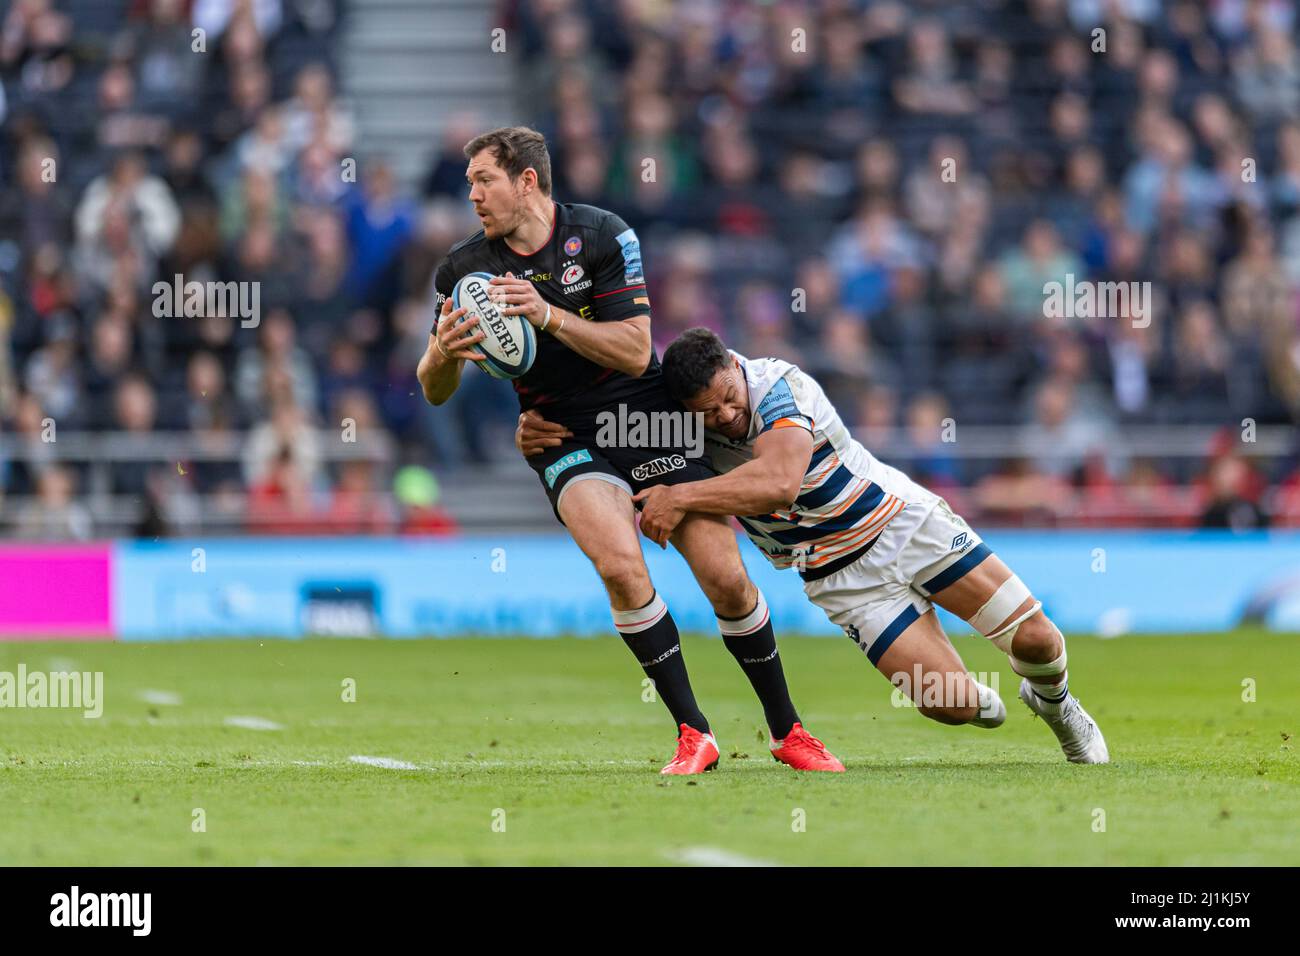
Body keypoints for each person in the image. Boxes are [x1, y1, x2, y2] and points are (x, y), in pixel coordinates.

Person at [417, 127, 841, 774]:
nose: (471, 193)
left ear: (526, 181)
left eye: (484, 180)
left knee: (725, 578)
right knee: (620, 566)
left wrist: (549, 314)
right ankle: (693, 732)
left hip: (646, 419)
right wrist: (445, 351)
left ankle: (788, 731)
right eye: (470, 182)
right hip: (561, 431)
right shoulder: (463, 270)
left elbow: (637, 350)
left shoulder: (603, 235)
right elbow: (434, 390)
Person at [525, 327, 1109, 764]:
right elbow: (609, 423)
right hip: (842, 581)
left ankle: (1059, 706)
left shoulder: (780, 385)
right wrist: (541, 428)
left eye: (728, 397)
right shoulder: (682, 422)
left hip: (903, 524)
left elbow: (777, 482)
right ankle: (993, 695)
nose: (726, 416)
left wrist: (680, 496)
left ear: (734, 365)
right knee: (953, 705)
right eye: (708, 412)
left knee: (1036, 638)